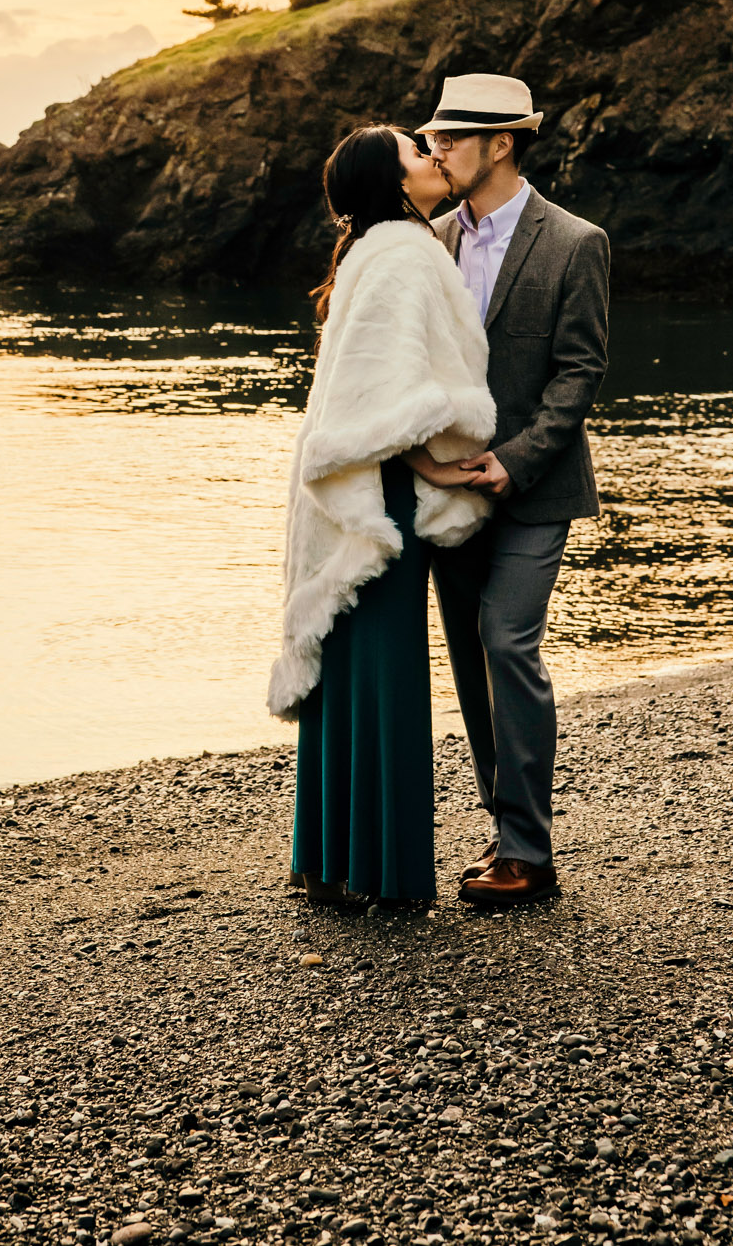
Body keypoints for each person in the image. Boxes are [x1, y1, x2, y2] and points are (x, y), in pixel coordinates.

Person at [267, 125, 498, 911]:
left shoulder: (383, 246)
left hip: (362, 495)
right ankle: (382, 874)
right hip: (382, 502)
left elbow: (369, 383)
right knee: (385, 680)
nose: (434, 155)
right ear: (390, 183)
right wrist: (431, 463)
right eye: (414, 151)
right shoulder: (400, 251)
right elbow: (377, 397)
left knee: (351, 677)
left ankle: (331, 861)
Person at [406, 71, 609, 909]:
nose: (435, 150)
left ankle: (529, 850)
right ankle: (504, 831)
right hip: (449, 492)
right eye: (432, 139)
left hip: (535, 487)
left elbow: (580, 371)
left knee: (506, 643)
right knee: (466, 660)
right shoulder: (428, 240)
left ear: (500, 143)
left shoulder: (574, 241)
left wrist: (515, 460)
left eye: (450, 138)